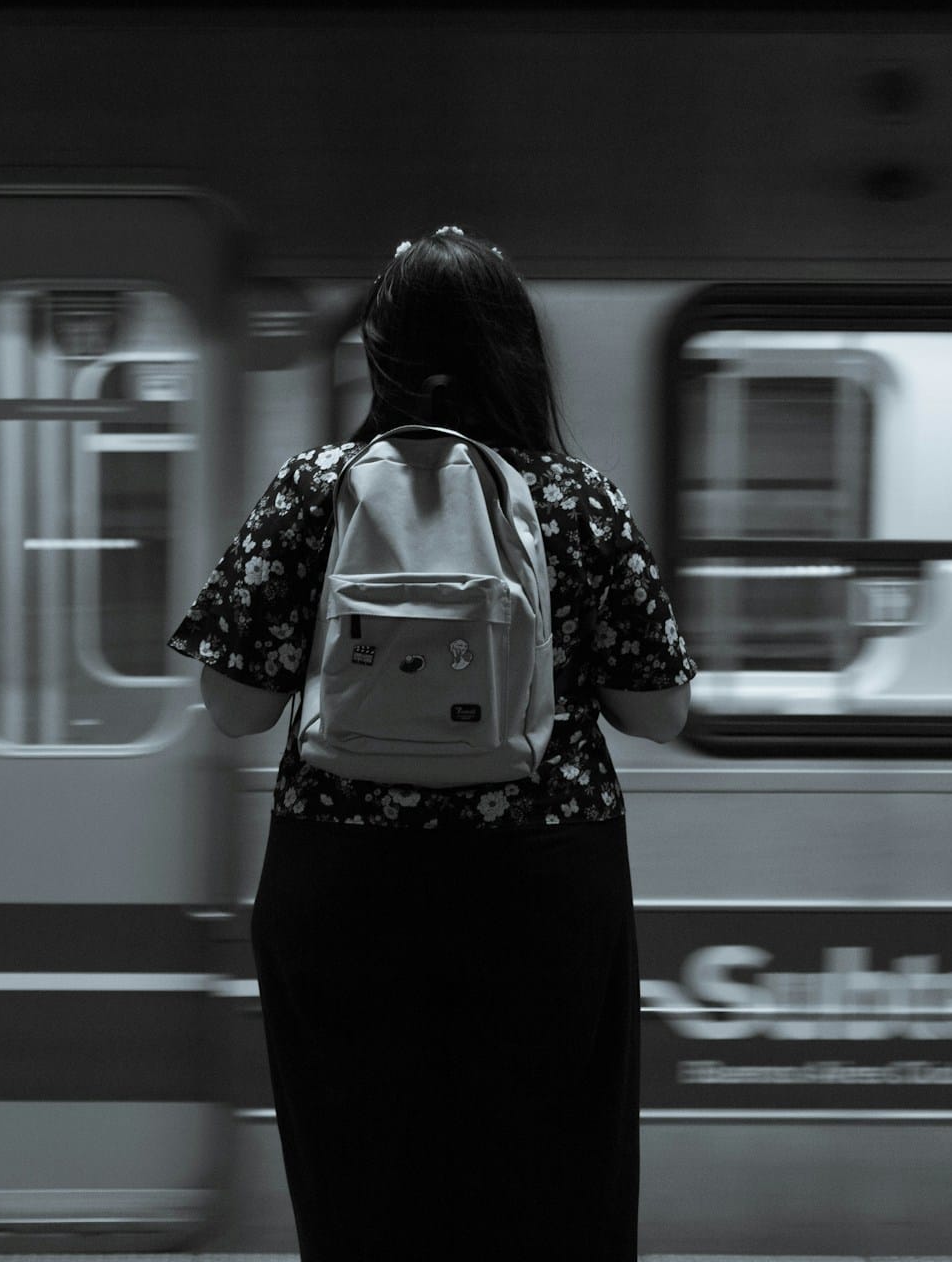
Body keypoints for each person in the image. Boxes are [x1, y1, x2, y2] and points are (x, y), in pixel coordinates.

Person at [167, 227, 695, 1261]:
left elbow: (232, 704)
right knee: (550, 1188)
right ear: (518, 350)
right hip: (540, 889)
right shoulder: (575, 497)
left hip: (347, 886)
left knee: (362, 1182)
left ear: (378, 351)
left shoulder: (313, 490)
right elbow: (660, 710)